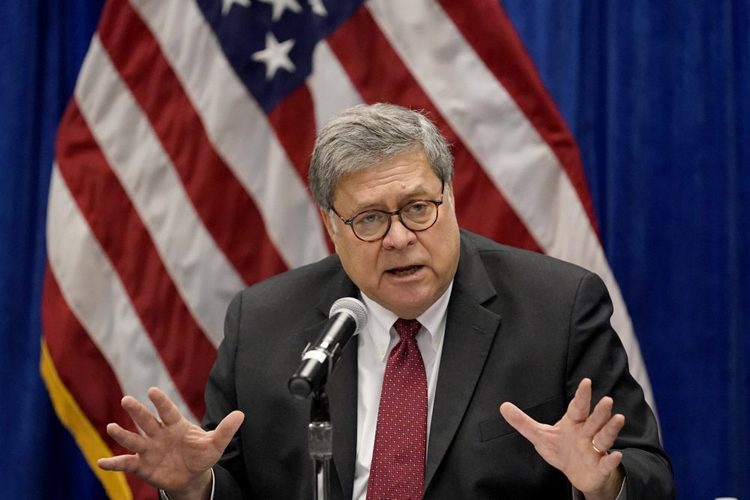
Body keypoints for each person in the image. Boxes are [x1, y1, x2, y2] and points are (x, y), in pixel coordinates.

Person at [98, 103, 674, 499]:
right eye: (370, 218)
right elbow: (237, 486)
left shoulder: (559, 307)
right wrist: (196, 488)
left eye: (418, 208)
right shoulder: (264, 324)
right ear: (332, 226)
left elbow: (649, 472)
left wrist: (604, 485)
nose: (399, 238)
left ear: (450, 199)